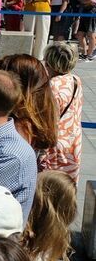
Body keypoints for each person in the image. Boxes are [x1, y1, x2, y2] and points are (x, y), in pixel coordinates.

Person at [40, 42, 82, 184]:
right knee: (65, 189)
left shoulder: (52, 85)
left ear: (50, 63)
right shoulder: (76, 80)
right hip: (73, 143)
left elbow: (48, 119)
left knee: (49, 188)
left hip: (55, 147)